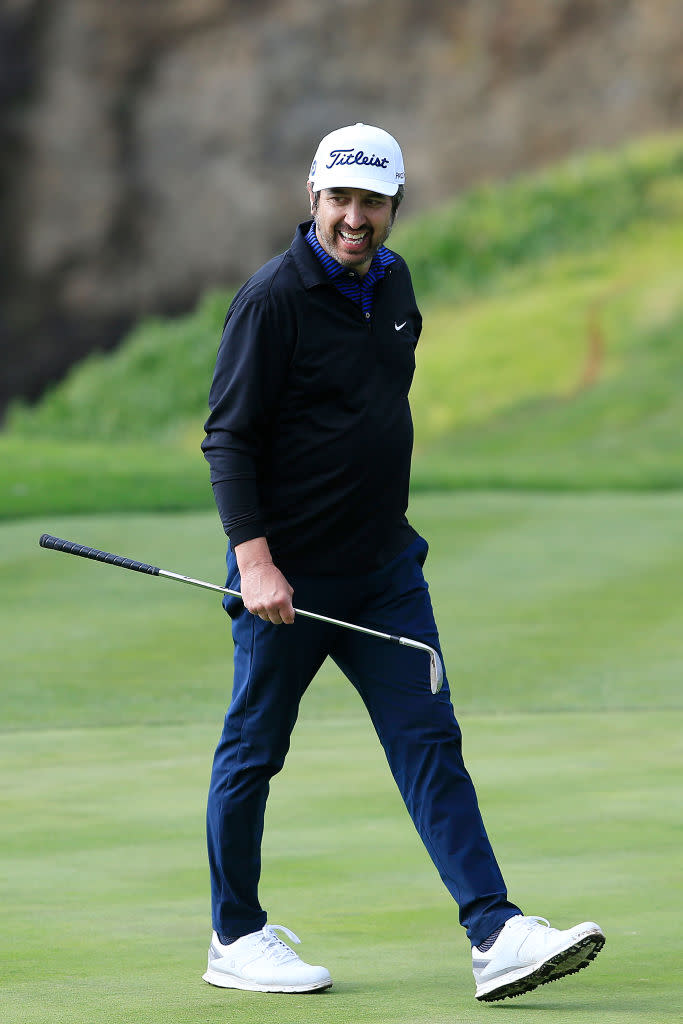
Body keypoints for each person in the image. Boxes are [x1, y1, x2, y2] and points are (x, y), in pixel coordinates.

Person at [200, 122, 605, 1001]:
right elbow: (228, 437)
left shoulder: (394, 284)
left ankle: (494, 931)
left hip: (384, 570)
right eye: (340, 200)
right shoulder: (271, 300)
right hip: (288, 580)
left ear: (394, 207)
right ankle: (235, 935)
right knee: (254, 749)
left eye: (372, 202)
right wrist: (256, 563)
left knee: (429, 743)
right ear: (312, 198)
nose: (355, 218)